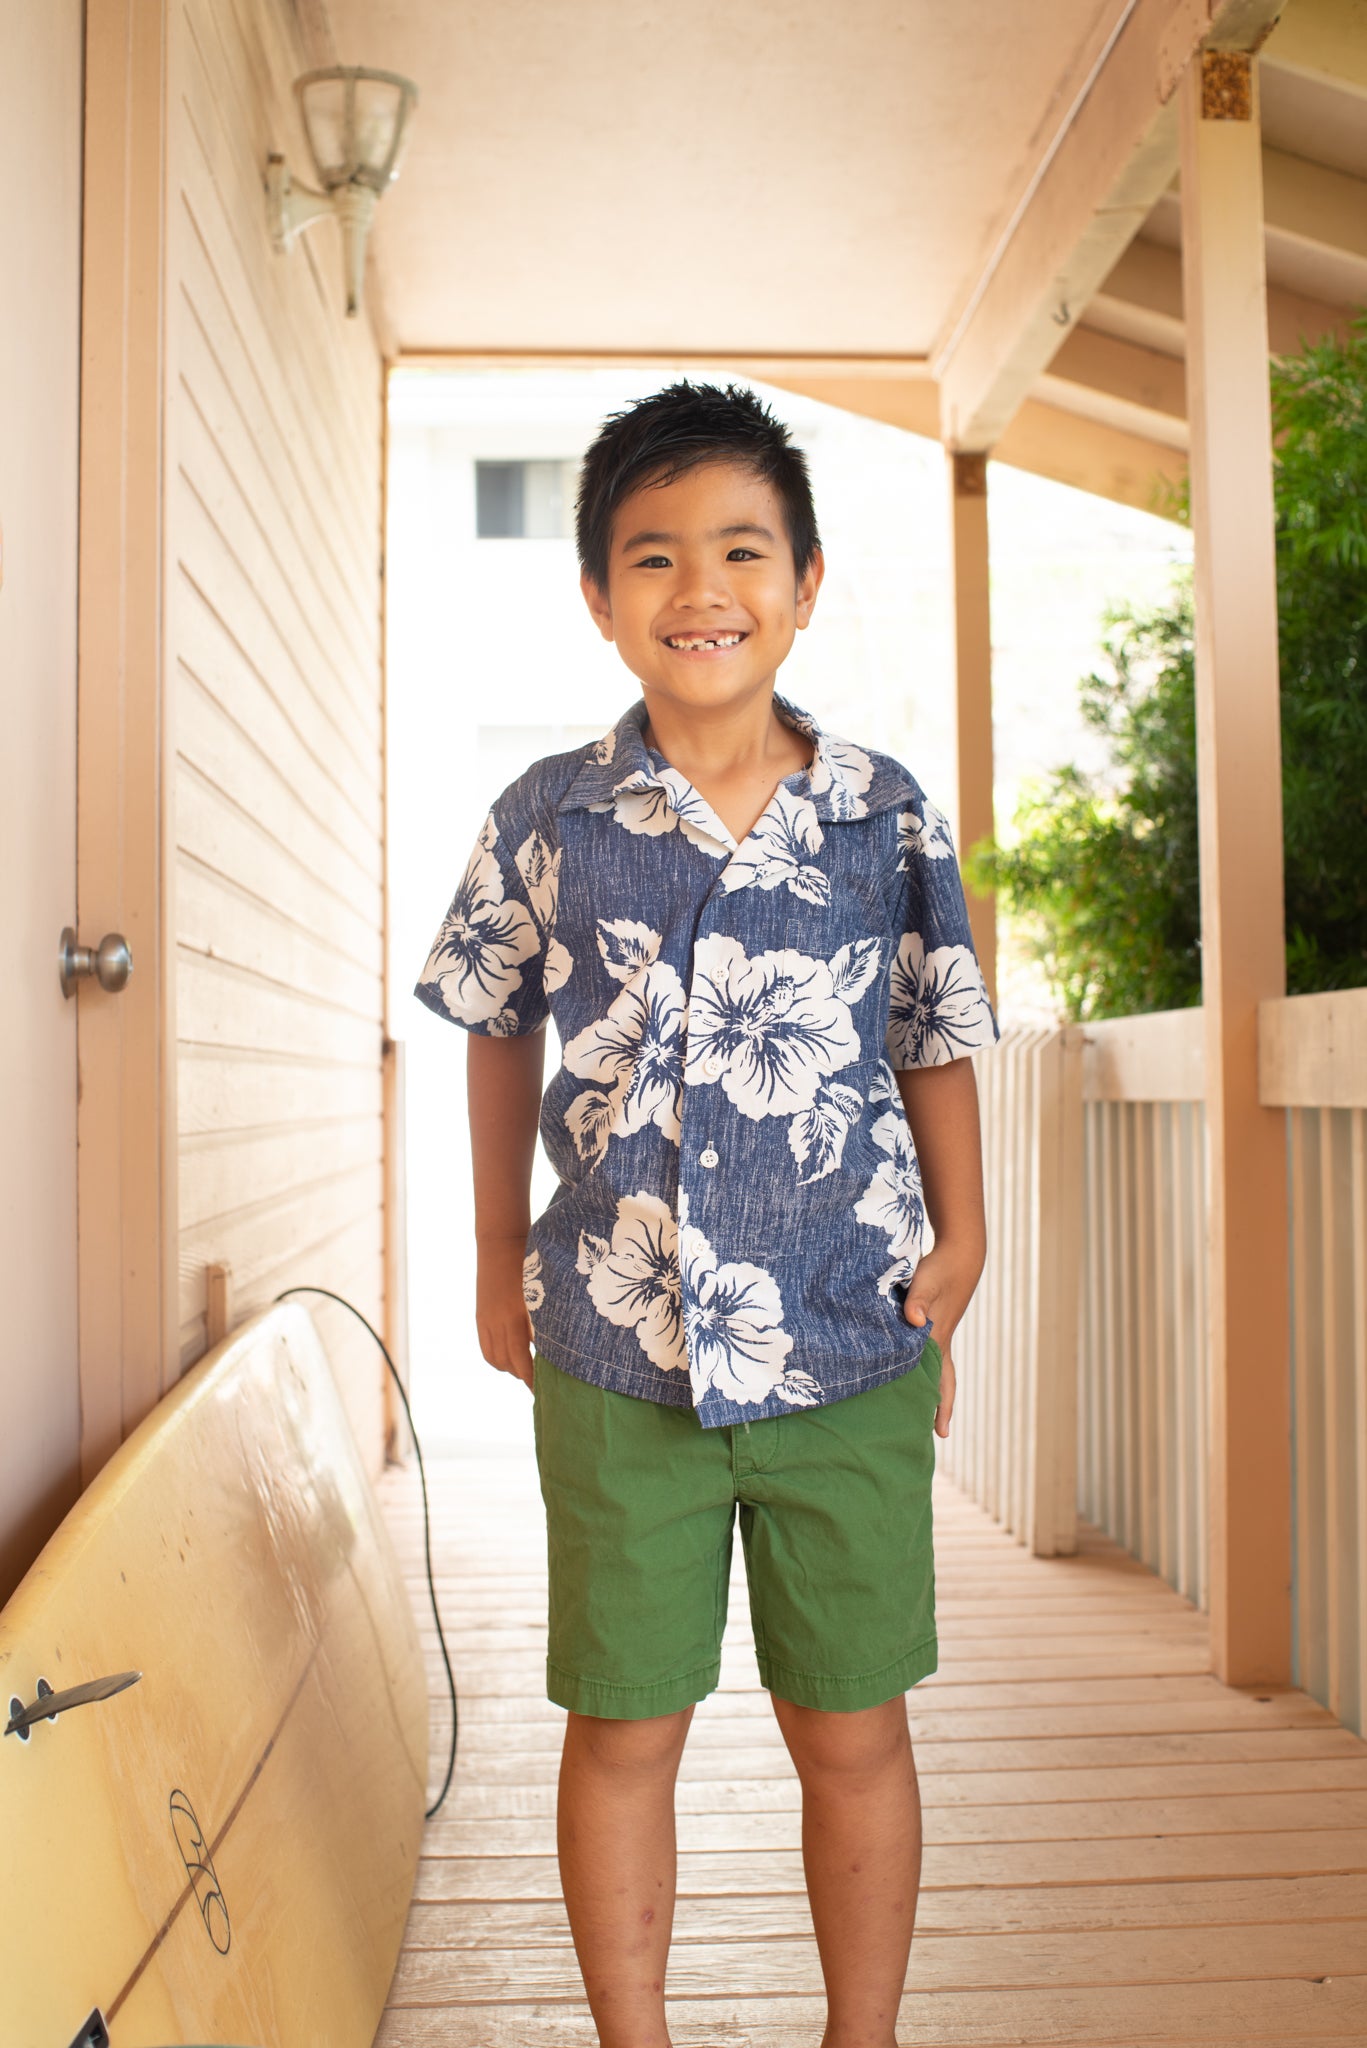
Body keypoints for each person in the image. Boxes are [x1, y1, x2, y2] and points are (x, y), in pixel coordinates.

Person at [415, 381, 997, 2048]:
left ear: (804, 584)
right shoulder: (550, 816)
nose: (701, 588)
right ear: (599, 597)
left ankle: (861, 2035)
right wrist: (493, 1254)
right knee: (624, 1729)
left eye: (743, 550)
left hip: (848, 1341)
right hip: (618, 1350)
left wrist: (965, 1243)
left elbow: (933, 1030)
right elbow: (493, 1022)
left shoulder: (881, 811)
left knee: (854, 1729)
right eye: (654, 555)